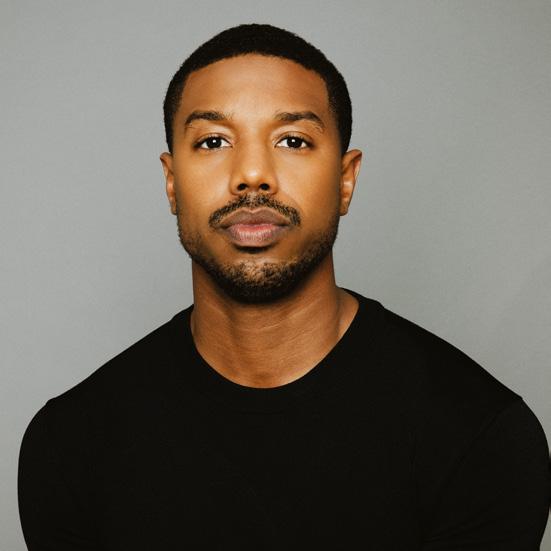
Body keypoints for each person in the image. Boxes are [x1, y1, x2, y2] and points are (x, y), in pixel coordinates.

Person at [18, 23, 550, 550]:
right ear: (172, 182)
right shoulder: (70, 446)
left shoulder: (480, 437)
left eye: (293, 140)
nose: (252, 174)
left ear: (345, 179)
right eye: (213, 141)